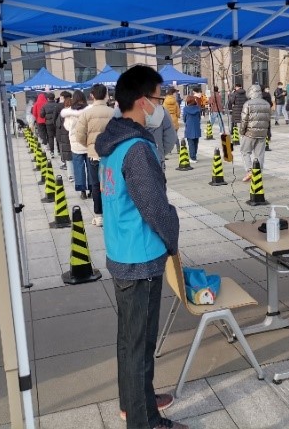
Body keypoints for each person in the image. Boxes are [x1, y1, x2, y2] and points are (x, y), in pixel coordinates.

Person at [95, 65, 183, 429]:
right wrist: (172, 237)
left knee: (129, 341)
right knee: (140, 346)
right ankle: (144, 421)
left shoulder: (113, 141)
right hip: (140, 258)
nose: (161, 105)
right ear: (143, 101)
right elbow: (155, 209)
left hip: (121, 251)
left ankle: (136, 401)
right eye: (159, 98)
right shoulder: (137, 149)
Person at [75, 83, 114, 226]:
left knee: (96, 185)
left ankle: (99, 216)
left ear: (92, 95)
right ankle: (112, 213)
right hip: (111, 154)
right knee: (112, 184)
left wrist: (89, 145)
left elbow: (79, 135)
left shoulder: (86, 113)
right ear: (106, 95)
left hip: (94, 154)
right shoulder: (113, 113)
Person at [61, 90, 90, 199]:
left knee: (78, 168)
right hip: (88, 142)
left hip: (76, 143)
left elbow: (67, 127)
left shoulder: (69, 112)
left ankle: (82, 191)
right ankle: (92, 189)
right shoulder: (89, 110)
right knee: (91, 168)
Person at [240, 84, 270, 182]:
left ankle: (249, 170)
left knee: (245, 151)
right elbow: (268, 120)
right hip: (262, 133)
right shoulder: (266, 104)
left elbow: (244, 120)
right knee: (259, 154)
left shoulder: (248, 104)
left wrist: (242, 132)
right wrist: (268, 133)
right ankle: (258, 172)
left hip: (250, 132)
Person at [148, 102, 178, 171]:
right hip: (157, 158)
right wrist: (160, 153)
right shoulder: (161, 111)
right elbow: (170, 139)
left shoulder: (125, 112)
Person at [57, 94, 74, 179]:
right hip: (74, 136)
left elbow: (58, 124)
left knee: (68, 157)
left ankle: (71, 175)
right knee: (76, 156)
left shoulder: (62, 113)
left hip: (64, 136)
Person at [182, 95, 201, 163]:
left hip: (189, 127)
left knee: (191, 143)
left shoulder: (185, 109)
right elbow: (199, 117)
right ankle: (194, 156)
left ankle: (192, 158)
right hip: (196, 126)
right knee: (196, 142)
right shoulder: (198, 108)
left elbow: (184, 118)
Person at [40, 92, 59, 157]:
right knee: (58, 137)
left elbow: (41, 115)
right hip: (57, 123)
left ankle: (52, 152)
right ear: (54, 98)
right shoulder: (57, 105)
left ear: (47, 98)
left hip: (49, 123)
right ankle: (59, 151)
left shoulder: (45, 106)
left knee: (50, 137)